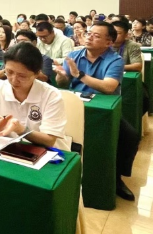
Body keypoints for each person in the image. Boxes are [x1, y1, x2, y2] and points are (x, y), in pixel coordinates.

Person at [54, 21, 138, 201]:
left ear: (109, 42)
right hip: (75, 107)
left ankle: (116, 179)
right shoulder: (74, 55)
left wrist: (80, 75)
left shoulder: (115, 60)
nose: (89, 37)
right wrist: (61, 76)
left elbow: (109, 87)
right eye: (89, 33)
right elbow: (64, 83)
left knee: (130, 136)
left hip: (105, 111)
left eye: (96, 35)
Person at [0, 42, 69, 150]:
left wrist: (21, 130)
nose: (14, 80)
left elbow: (49, 140)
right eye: (9, 72)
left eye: (22, 76)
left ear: (37, 74)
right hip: (9, 148)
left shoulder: (51, 95)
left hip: (49, 153)